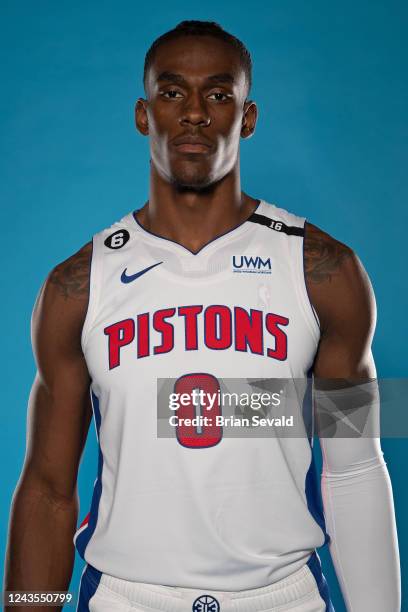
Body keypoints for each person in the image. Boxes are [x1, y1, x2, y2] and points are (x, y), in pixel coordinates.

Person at [4, 20, 400, 612]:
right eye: (172, 93)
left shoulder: (324, 270)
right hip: (125, 598)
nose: (194, 114)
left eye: (218, 95)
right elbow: (48, 489)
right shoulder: (77, 284)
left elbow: (355, 466)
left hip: (281, 598)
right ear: (144, 115)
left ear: (248, 117)